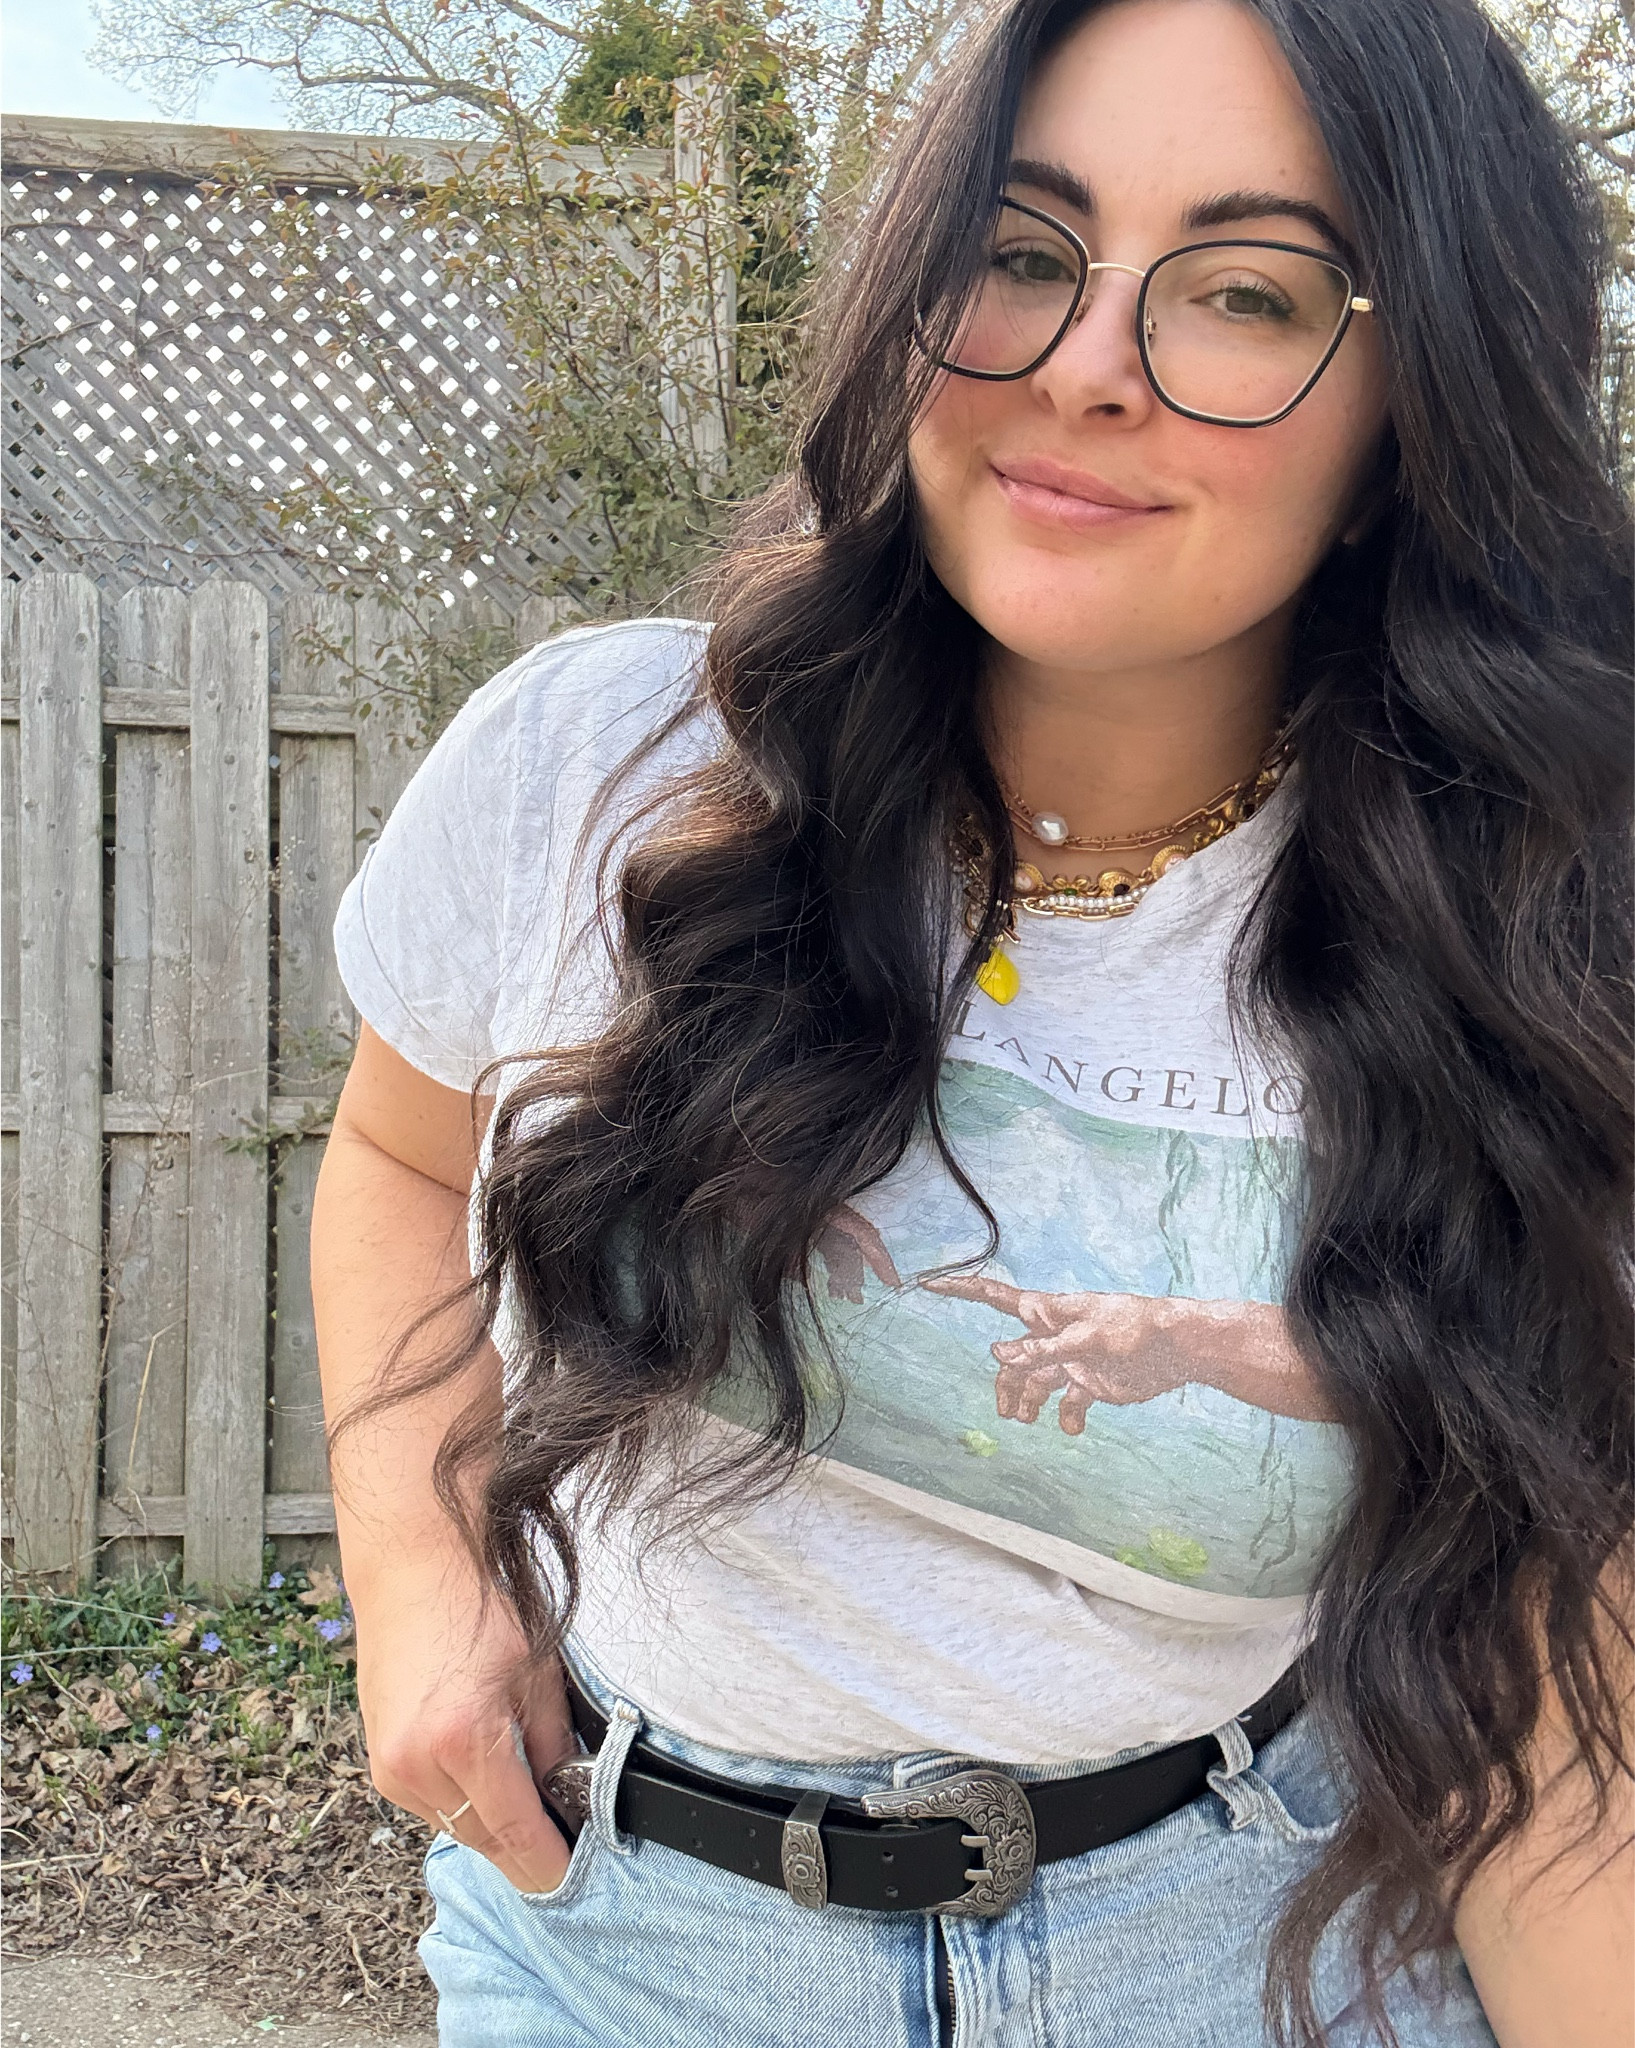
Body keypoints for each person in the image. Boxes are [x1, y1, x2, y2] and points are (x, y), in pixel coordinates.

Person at [309, 0, 1634, 2040]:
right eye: (1018, 253)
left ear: (1407, 414)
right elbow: (401, 1160)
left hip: (1249, 1945)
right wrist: (416, 1584)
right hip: (632, 1947)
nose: (1086, 366)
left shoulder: (1516, 933)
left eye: (1244, 292)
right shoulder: (595, 763)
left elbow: (1550, 1650)